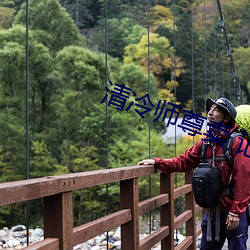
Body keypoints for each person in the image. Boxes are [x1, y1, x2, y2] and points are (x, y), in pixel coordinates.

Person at [137, 97, 250, 250]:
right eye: (210, 109)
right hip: (213, 211)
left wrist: (236, 212)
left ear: (227, 118)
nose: (210, 113)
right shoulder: (205, 143)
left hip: (233, 211)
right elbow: (184, 161)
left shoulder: (238, 143)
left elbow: (244, 178)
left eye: (216, 110)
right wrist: (158, 162)